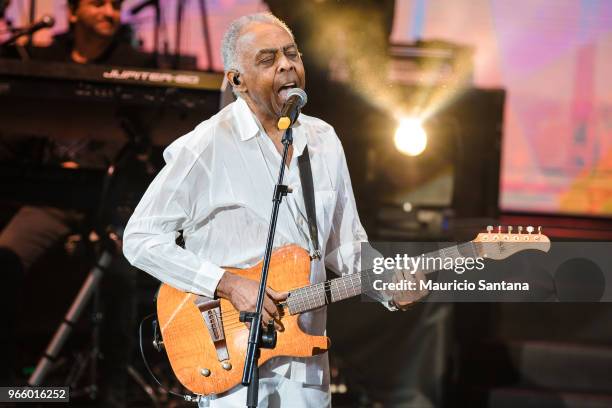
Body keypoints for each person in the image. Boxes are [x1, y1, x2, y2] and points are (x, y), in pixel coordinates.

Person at [123, 12, 426, 407]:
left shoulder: (323, 141)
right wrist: (226, 284)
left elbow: (344, 245)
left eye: (291, 54)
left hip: (306, 370)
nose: (286, 65)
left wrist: (388, 283)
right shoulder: (206, 146)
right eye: (267, 59)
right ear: (237, 81)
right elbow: (140, 238)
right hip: (230, 362)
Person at [0, 0, 154, 405]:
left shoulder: (136, 63)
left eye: (116, 5)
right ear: (73, 11)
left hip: (110, 202)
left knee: (121, 276)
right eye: (99, 3)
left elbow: (150, 136)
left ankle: (112, 393)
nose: (110, 12)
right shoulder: (43, 59)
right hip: (49, 199)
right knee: (5, 259)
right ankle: (14, 388)